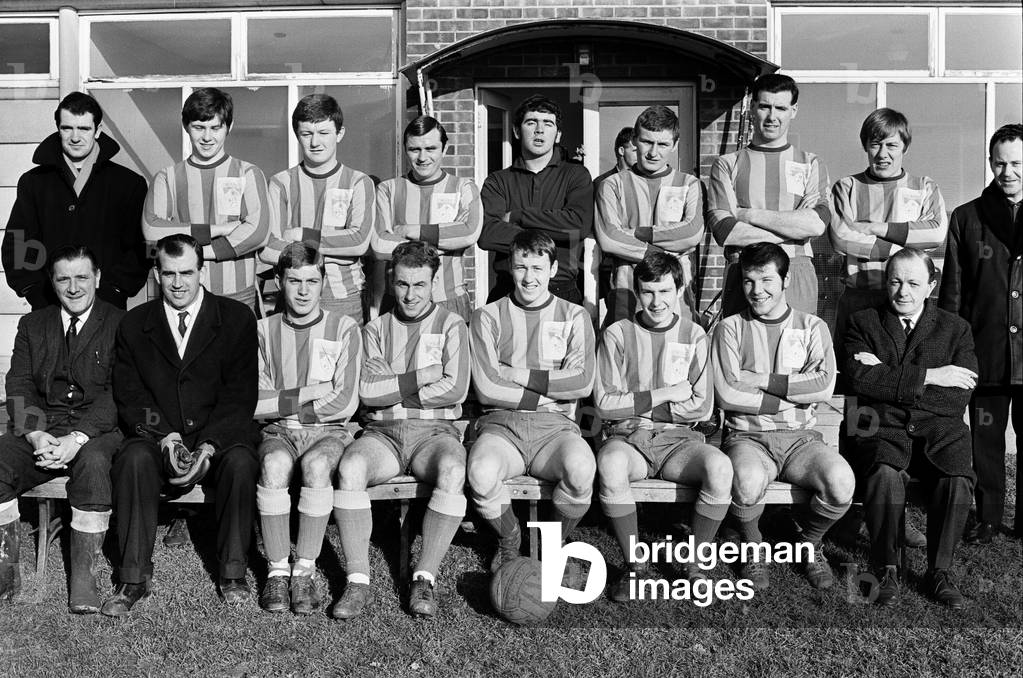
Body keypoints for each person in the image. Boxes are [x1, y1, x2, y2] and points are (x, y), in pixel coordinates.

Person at [102, 234, 259, 616]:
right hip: (160, 434)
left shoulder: (236, 318)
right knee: (133, 460)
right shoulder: (135, 323)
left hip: (216, 434)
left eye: (186, 272)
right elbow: (131, 395)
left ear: (202, 271)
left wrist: (208, 445)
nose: (178, 283)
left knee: (240, 463)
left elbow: (239, 396)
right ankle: (133, 576)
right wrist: (165, 437)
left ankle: (233, 572)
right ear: (156, 273)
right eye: (169, 273)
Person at [332, 241, 469, 620]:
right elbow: (367, 392)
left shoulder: (453, 325)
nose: (410, 295)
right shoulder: (374, 329)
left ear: (434, 282)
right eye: (403, 284)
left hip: (435, 433)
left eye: (420, 285)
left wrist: (393, 385)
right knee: (350, 469)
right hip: (383, 435)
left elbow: (455, 388)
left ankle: (424, 577)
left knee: (454, 470)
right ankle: (357, 580)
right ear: (392, 280)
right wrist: (424, 375)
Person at [711, 242, 853, 590]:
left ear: (786, 280)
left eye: (766, 280)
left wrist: (760, 380)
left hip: (801, 439)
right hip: (748, 437)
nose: (756, 291)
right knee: (745, 483)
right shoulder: (729, 328)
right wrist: (791, 396)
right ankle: (753, 544)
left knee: (841, 483)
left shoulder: (812, 326)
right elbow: (727, 393)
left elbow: (822, 387)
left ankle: (807, 543)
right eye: (748, 281)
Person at [845, 248, 977, 609]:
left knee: (956, 477)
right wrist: (933, 377)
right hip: (879, 427)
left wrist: (886, 380)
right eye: (895, 281)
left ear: (931, 286)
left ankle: (940, 571)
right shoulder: (863, 322)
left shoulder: (956, 328)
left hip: (940, 430)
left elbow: (958, 398)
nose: (903, 292)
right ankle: (885, 568)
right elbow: (859, 380)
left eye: (913, 283)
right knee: (884, 474)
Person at [595, 252, 731, 600]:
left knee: (719, 467)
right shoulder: (618, 334)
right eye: (648, 292)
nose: (657, 301)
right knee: (610, 464)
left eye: (665, 292)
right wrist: (665, 394)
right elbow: (605, 403)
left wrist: (639, 404)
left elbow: (701, 405)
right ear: (638, 293)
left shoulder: (695, 335)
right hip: (629, 439)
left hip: (679, 443)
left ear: (679, 290)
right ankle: (634, 566)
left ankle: (696, 565)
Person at [0, 247, 123, 613]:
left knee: (95, 465)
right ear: (52, 283)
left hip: (96, 431)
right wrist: (36, 434)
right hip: (45, 428)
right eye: (64, 278)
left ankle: (85, 579)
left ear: (97, 278)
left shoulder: (120, 323)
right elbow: (18, 385)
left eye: (82, 277)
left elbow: (121, 392)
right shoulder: (33, 325)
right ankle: (6, 572)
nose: (74, 287)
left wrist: (78, 438)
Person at [467, 230, 596, 572]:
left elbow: (582, 382)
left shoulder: (575, 316)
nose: (529, 277)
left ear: (553, 270)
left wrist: (516, 372)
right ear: (510, 266)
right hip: (501, 426)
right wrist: (548, 394)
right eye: (522, 267)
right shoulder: (487, 317)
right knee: (480, 473)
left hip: (556, 429)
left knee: (582, 471)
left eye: (538, 268)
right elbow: (487, 388)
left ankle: (556, 544)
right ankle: (509, 540)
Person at [254, 243, 361, 616]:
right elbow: (254, 401)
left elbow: (345, 401)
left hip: (329, 431)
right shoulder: (263, 330)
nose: (303, 291)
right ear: (280, 281)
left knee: (317, 466)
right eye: (294, 280)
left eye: (311, 281)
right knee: (273, 467)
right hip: (278, 432)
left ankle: (304, 569)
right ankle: (277, 570)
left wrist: (286, 403)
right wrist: (311, 393)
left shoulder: (345, 327)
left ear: (323, 282)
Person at [938, 123, 1023, 544]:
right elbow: (951, 293)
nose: (1007, 172)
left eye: (1016, 163)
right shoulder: (966, 218)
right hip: (984, 351)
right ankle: (987, 517)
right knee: (985, 439)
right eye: (999, 163)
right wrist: (951, 351)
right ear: (990, 163)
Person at [2, 92, 148, 310]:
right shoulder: (33, 182)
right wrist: (33, 289)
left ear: (98, 130)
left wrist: (116, 289)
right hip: (48, 306)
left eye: (84, 128)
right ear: (58, 129)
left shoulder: (129, 184)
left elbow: (142, 247)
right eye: (67, 128)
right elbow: (19, 241)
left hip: (107, 307)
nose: (75, 137)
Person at [707, 74, 831, 318]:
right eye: (765, 106)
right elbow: (726, 230)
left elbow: (816, 225)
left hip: (796, 272)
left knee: (795, 351)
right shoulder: (727, 164)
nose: (772, 117)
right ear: (753, 107)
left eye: (781, 108)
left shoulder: (811, 163)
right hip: (744, 271)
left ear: (793, 110)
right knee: (743, 352)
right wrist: (794, 227)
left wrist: (746, 214)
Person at [830, 108, 948, 359]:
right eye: (875, 144)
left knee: (905, 381)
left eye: (892, 145)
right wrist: (907, 247)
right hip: (859, 299)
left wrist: (875, 228)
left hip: (908, 303)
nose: (883, 154)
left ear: (905, 147)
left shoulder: (925, 188)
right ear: (865, 146)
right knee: (854, 383)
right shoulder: (848, 187)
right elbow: (842, 238)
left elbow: (936, 233)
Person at [142, 87, 269, 311]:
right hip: (183, 297)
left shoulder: (247, 173)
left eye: (215, 128)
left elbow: (258, 231)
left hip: (238, 295)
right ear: (186, 127)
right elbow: (152, 229)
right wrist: (218, 229)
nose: (207, 137)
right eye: (199, 128)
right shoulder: (167, 177)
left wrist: (198, 253)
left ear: (229, 126)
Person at [260, 94, 375, 324]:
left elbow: (359, 241)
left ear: (339, 134)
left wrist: (301, 235)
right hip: (293, 297)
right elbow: (269, 249)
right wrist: (339, 255)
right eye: (306, 134)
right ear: (297, 135)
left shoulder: (358, 182)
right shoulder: (280, 183)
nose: (315, 142)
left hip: (344, 299)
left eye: (324, 133)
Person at [595, 106, 704, 326]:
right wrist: (666, 253)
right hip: (625, 299)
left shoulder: (689, 184)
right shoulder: (611, 184)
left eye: (662, 144)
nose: (653, 152)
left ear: (674, 145)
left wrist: (634, 233)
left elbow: (692, 233)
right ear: (635, 140)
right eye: (647, 142)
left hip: (677, 301)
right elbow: (609, 238)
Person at [479, 94, 593, 304]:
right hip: (508, 290)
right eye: (531, 122)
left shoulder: (576, 175)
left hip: (561, 290)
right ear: (516, 131)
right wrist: (553, 233)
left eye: (548, 124)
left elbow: (578, 225)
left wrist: (518, 216)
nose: (539, 130)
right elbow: (487, 234)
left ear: (558, 135)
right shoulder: (498, 181)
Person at [373, 116, 483, 322]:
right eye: (415, 149)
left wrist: (411, 231)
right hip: (400, 301)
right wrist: (446, 242)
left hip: (449, 299)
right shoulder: (388, 190)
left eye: (431, 148)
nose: (422, 157)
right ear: (405, 148)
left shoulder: (464, 187)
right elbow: (379, 244)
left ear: (445, 148)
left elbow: (469, 232)